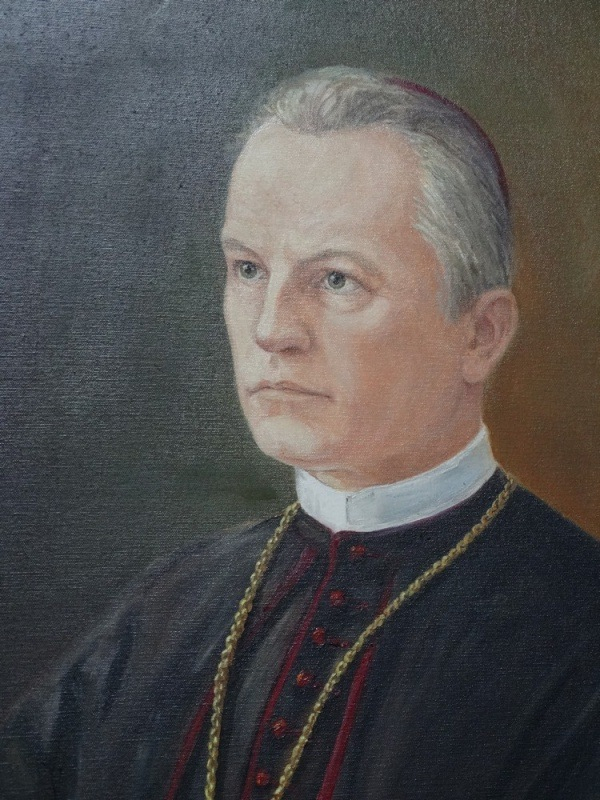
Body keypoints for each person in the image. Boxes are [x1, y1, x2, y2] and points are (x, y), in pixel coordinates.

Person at [1, 66, 599, 800]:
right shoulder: (168, 610)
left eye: (337, 279)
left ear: (480, 334)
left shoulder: (579, 630)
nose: (271, 329)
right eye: (249, 268)